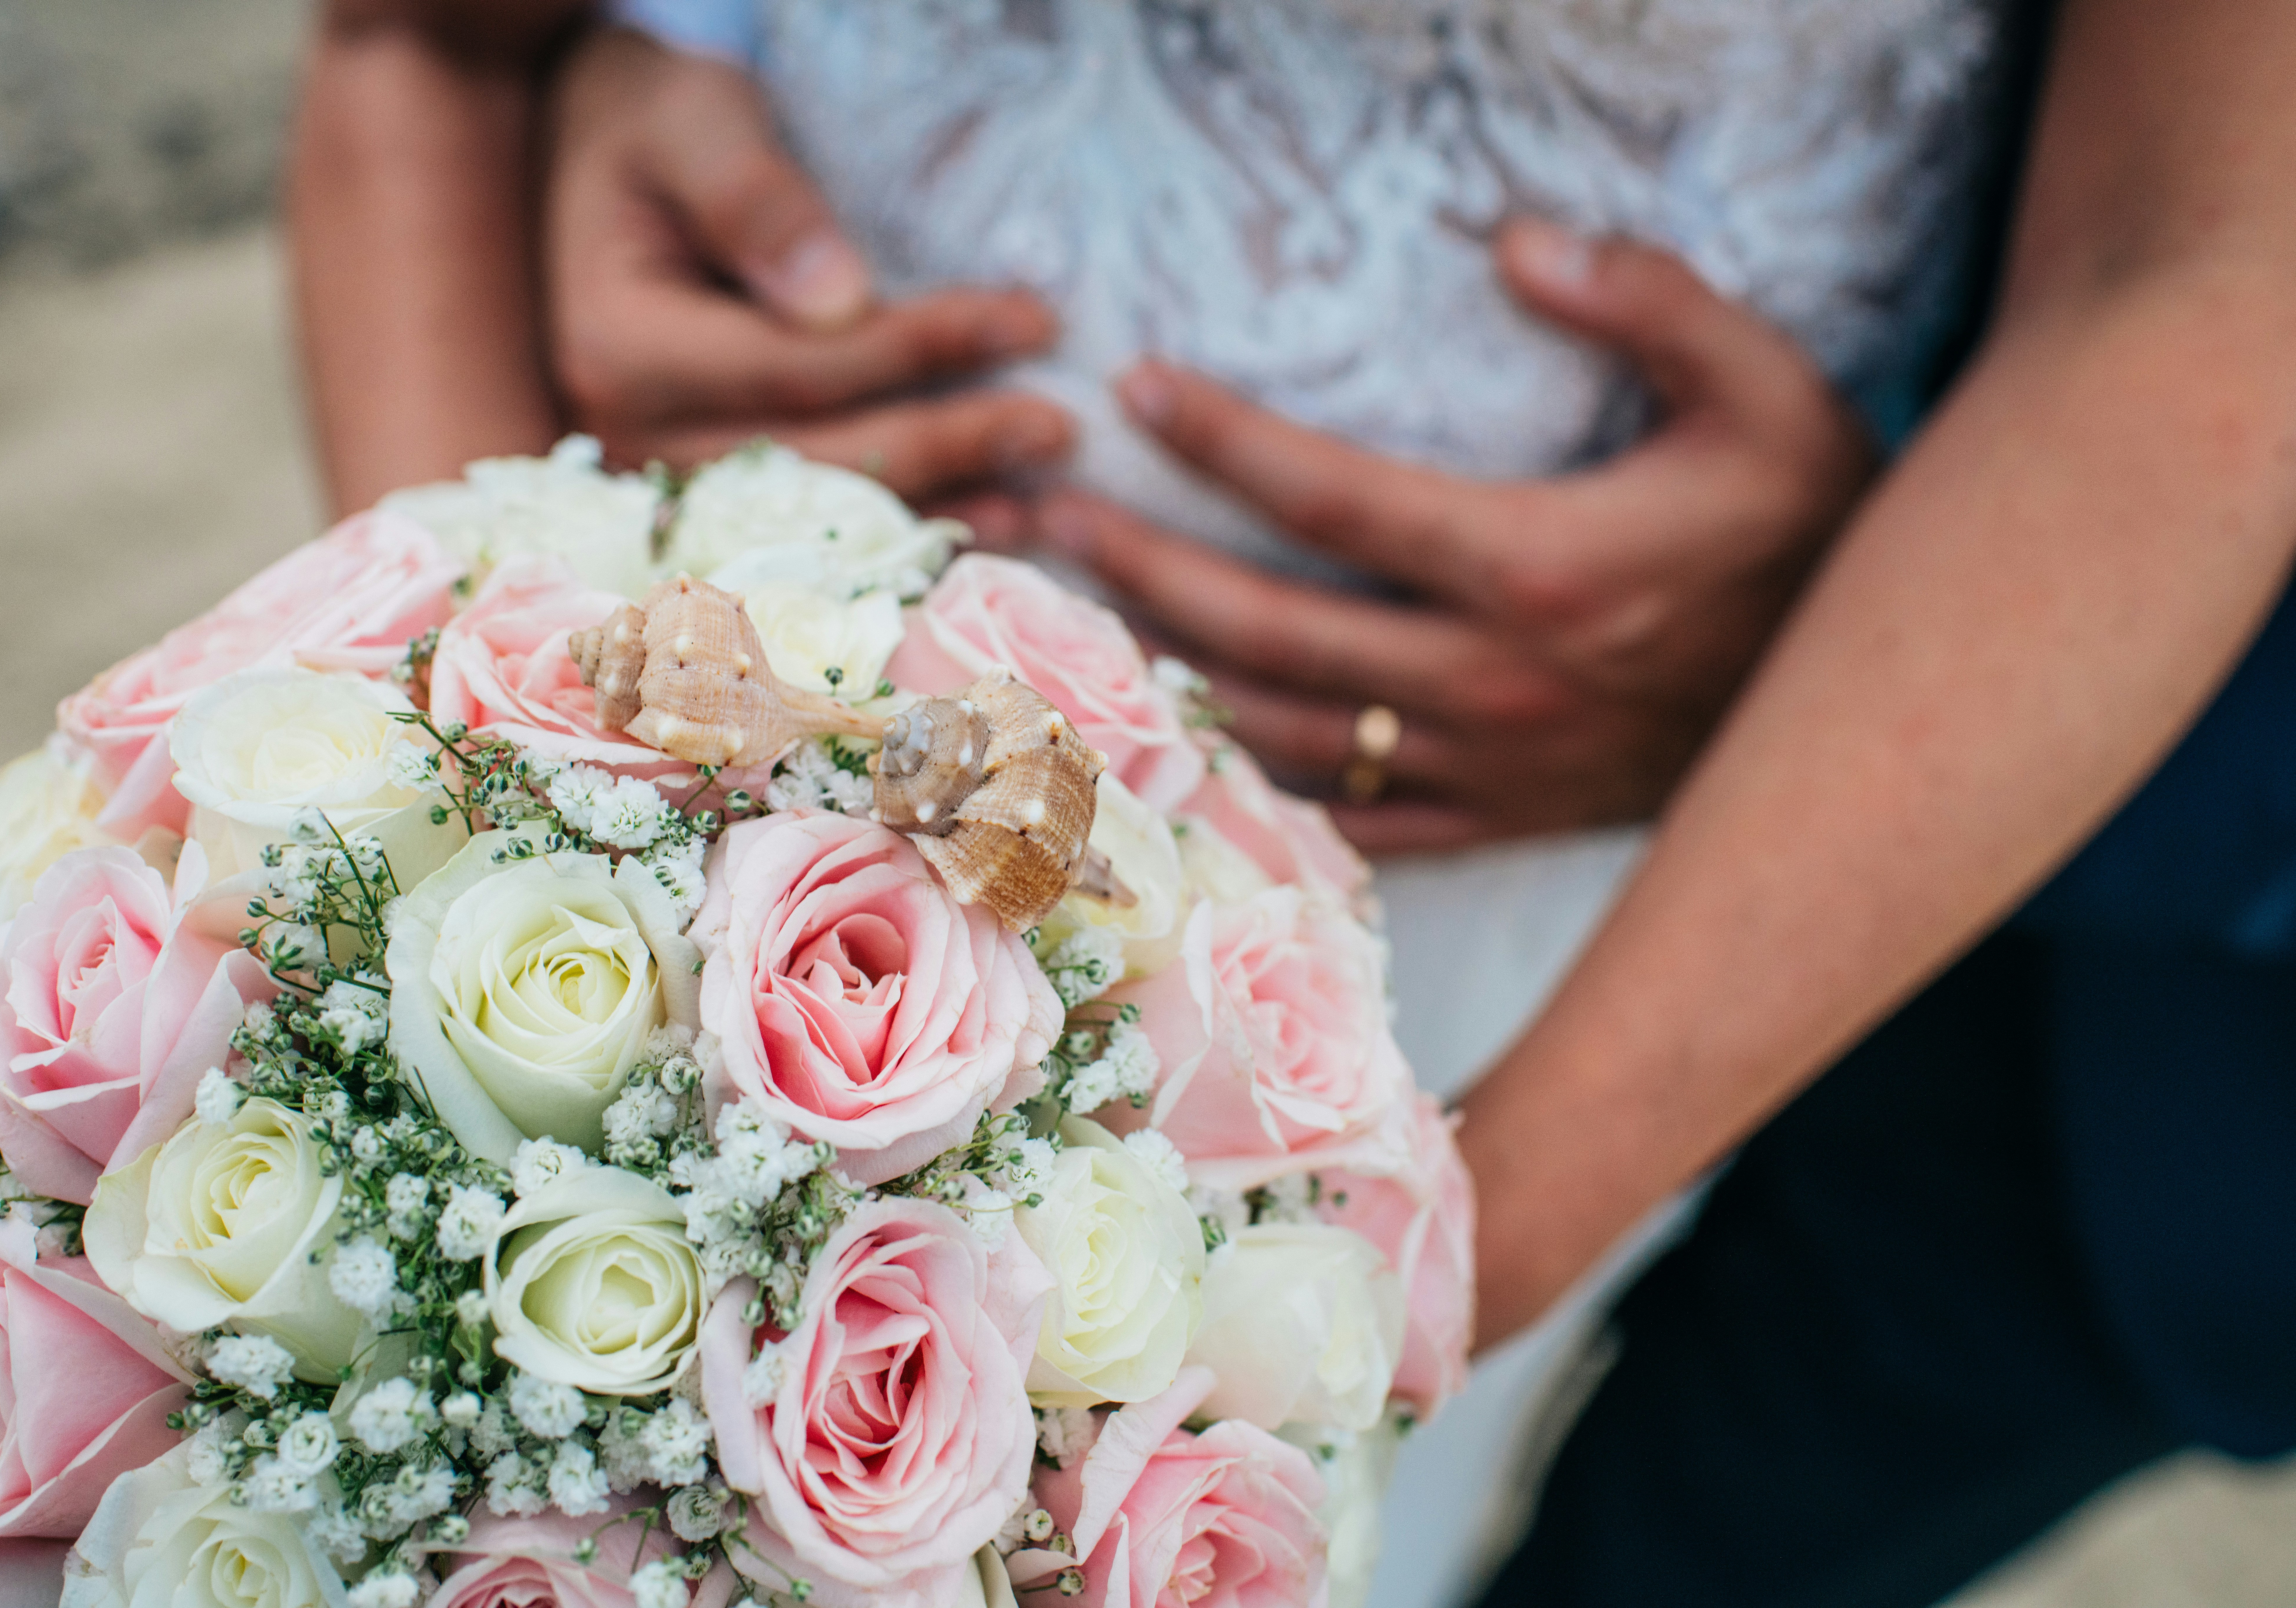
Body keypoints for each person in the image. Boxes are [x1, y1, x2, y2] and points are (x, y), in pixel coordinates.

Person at [288, 1, 2296, 1604]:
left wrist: (1434, 1242)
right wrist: (470, 781)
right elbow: (415, 47)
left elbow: (2192, 262)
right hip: (662, 658)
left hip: (1504, 957)